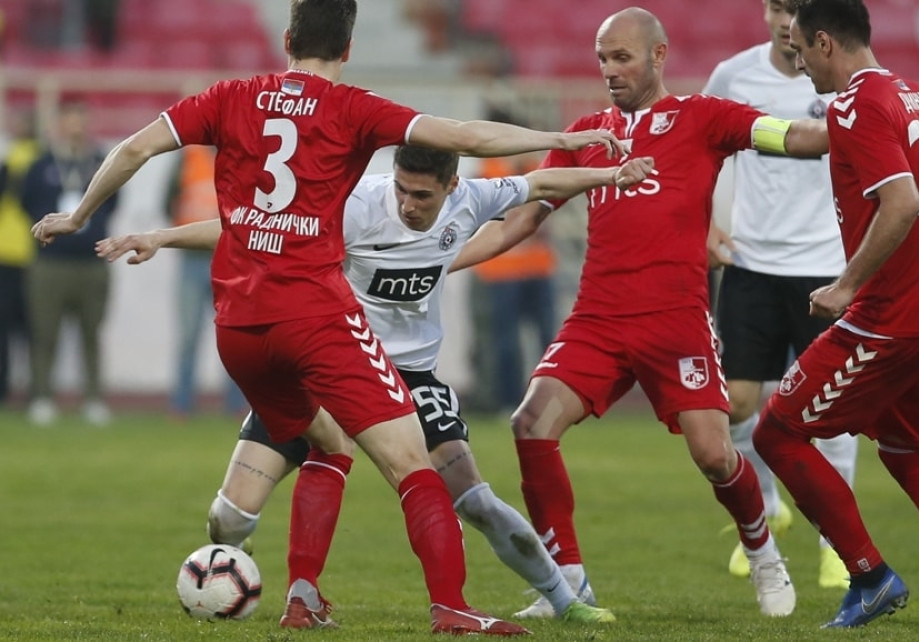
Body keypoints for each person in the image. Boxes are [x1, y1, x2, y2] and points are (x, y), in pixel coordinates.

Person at [30, 0, 625, 634]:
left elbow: (134, 146)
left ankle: (307, 596)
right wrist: (558, 137)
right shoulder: (354, 117)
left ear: (286, 37)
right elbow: (469, 137)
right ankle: (451, 608)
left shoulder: (230, 95)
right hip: (316, 324)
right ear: (347, 48)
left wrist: (81, 216)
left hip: (241, 328)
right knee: (408, 465)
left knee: (309, 466)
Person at [98, 144, 654, 626]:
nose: (410, 205)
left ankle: (565, 597)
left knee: (476, 500)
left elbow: (542, 181)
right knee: (229, 518)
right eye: (405, 192)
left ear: (452, 187)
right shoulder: (356, 203)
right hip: (330, 361)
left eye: (423, 197)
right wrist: (160, 237)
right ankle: (225, 575)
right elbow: (246, 227)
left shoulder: (473, 199)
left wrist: (610, 176)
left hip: (411, 375)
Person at [449, 6, 829, 620]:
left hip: (675, 320)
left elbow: (789, 137)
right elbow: (521, 219)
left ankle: (762, 551)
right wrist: (443, 263)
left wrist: (858, 126)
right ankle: (568, 582)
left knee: (713, 453)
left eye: (620, 57)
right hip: (598, 318)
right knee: (530, 423)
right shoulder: (589, 135)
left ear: (658, 55)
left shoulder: (703, 119)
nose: (609, 71)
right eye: (602, 59)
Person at [752, 0, 919, 628]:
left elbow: (903, 200)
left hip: (894, 315)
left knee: (776, 432)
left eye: (801, 49)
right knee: (907, 450)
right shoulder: (915, 95)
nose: (800, 63)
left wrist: (845, 286)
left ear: (826, 43)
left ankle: (869, 576)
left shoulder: (856, 104)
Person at [702, 0, 856, 589]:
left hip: (826, 268)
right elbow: (705, 150)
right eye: (776, 6)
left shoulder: (844, 80)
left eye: (795, 8)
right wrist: (708, 225)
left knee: (831, 412)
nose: (782, 20)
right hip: (751, 264)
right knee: (738, 404)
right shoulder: (734, 76)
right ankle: (765, 511)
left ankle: (836, 543)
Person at [22, 98, 117, 426]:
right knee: (45, 332)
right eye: (70, 119)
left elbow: (113, 201)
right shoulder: (41, 164)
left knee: (92, 333)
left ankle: (93, 398)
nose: (76, 126)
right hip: (50, 263)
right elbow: (27, 204)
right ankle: (43, 397)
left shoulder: (100, 163)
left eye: (81, 119)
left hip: (92, 262)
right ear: (59, 124)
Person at [162, 145, 246, 418]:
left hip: (231, 260)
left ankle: (236, 404)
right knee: (189, 336)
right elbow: (167, 202)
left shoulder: (240, 154)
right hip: (193, 259)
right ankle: (182, 404)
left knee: (234, 335)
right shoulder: (187, 157)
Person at [472, 148, 558, 414]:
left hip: (537, 267)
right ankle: (509, 400)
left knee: (549, 337)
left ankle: (554, 399)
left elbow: (545, 219)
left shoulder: (536, 167)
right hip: (501, 271)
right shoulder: (489, 171)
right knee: (506, 341)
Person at [0, 111, 41, 405]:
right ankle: (35, 391)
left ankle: (11, 389)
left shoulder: (14, 161)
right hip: (27, 252)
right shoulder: (39, 160)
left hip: (17, 253)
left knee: (12, 328)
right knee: (32, 329)